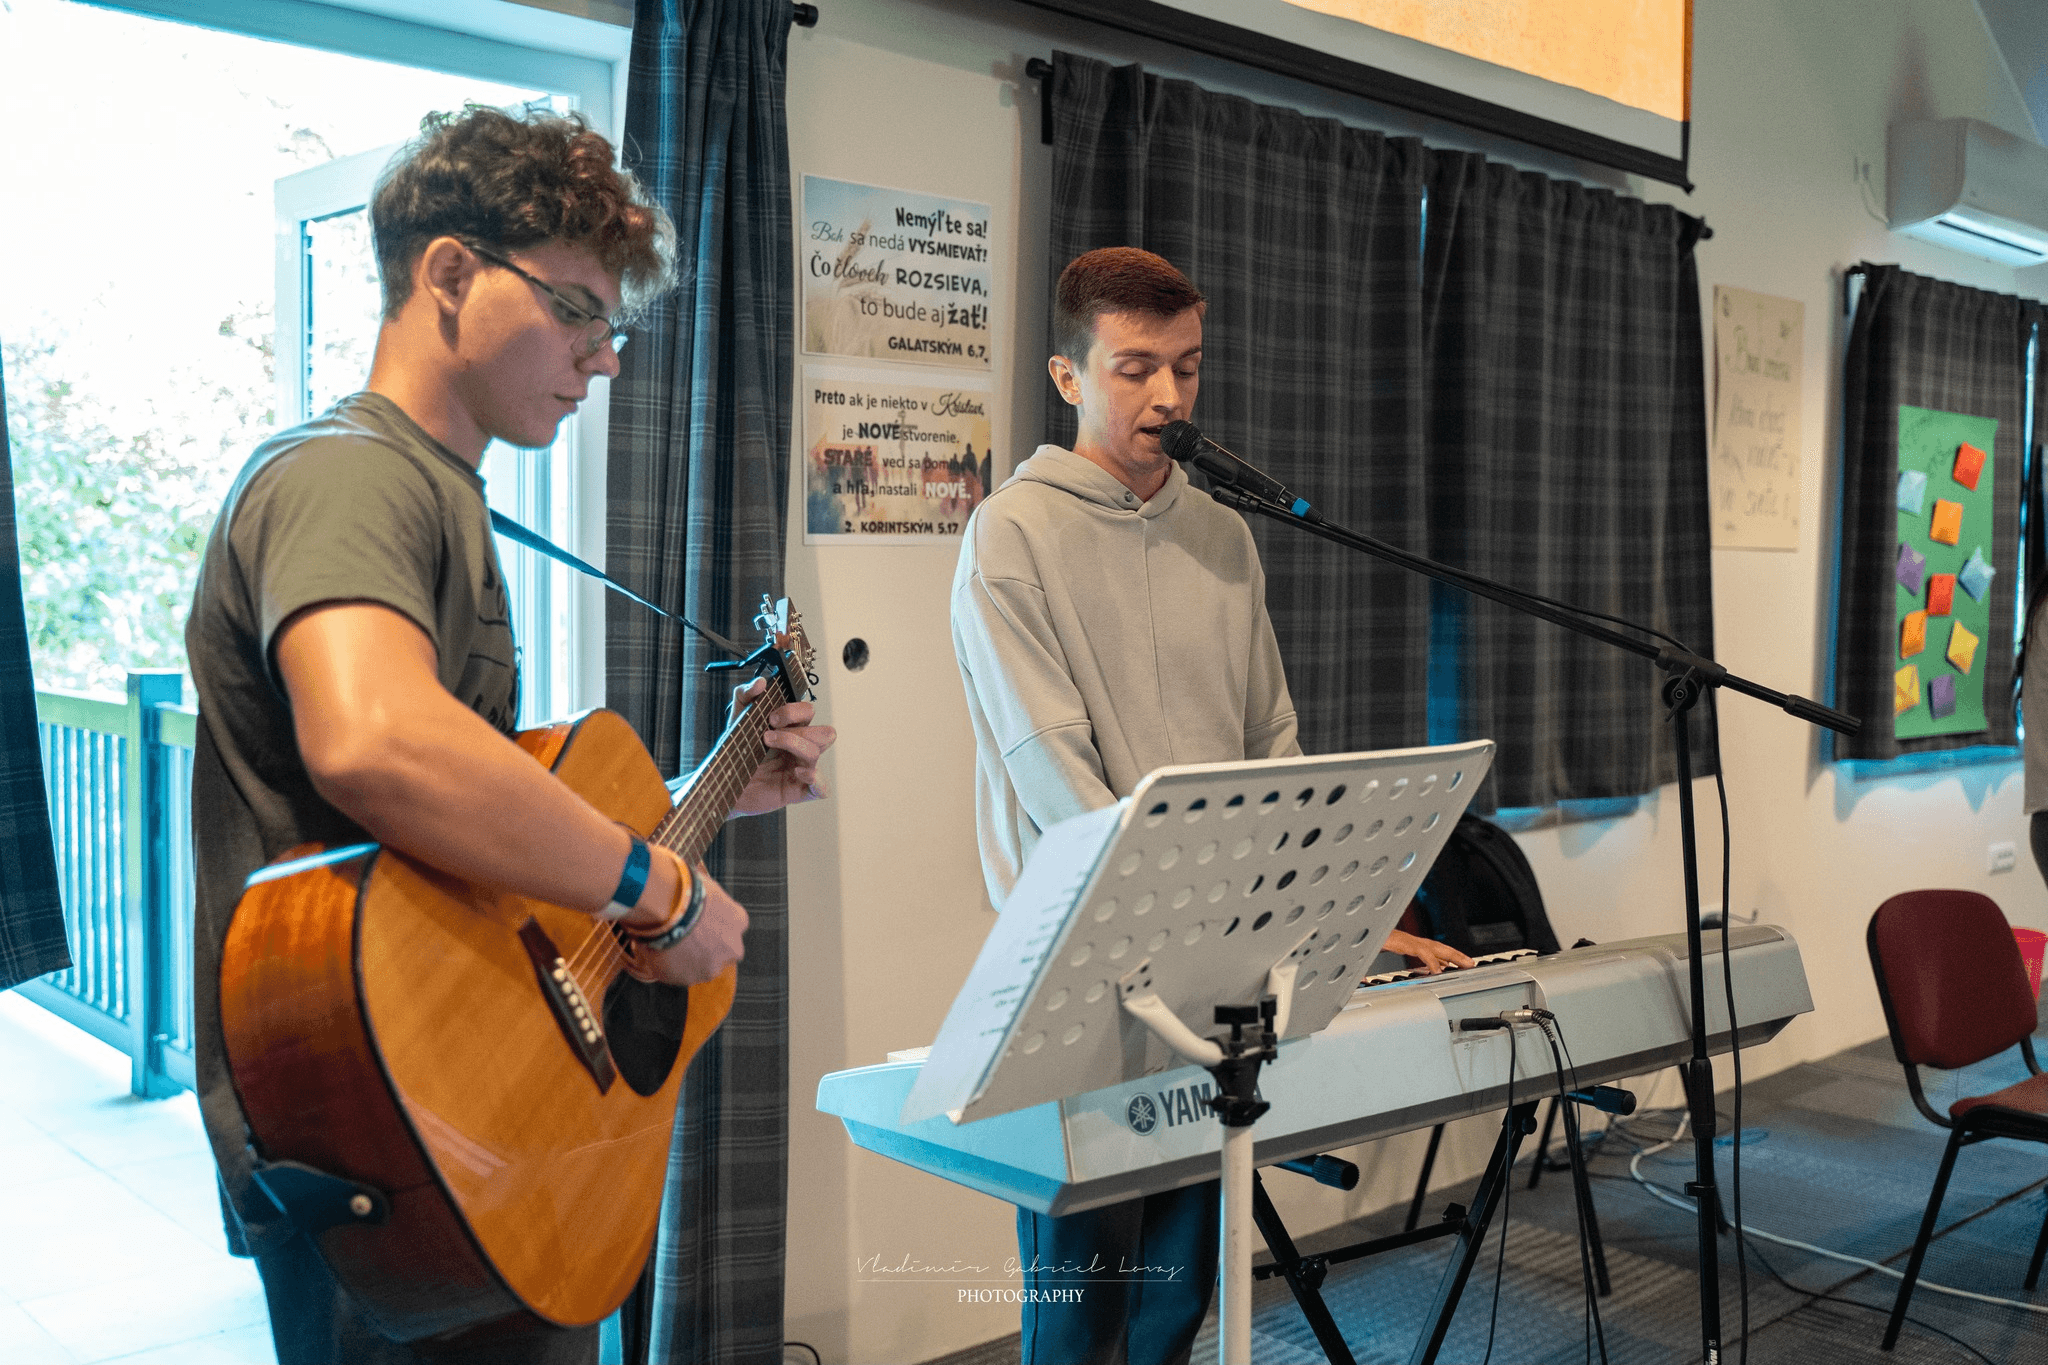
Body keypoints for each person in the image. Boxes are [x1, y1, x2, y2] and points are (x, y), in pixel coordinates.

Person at [184, 107, 834, 1365]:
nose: (603, 359)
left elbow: (453, 829)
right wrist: (656, 889)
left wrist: (707, 794)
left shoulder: (438, 491)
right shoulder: (346, 477)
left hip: (466, 1097)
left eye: (611, 326)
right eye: (576, 309)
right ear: (448, 273)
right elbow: (377, 744)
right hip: (377, 1111)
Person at [950, 246, 1468, 1365]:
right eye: (1135, 367)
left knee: (1176, 1302)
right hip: (1084, 965)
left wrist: (1340, 920)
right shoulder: (1011, 533)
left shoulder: (1222, 534)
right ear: (1067, 375)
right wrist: (1175, 920)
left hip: (1215, 971)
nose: (1168, 396)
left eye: (1186, 366)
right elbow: (1051, 769)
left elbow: (1272, 747)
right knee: (1081, 1310)